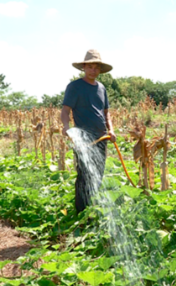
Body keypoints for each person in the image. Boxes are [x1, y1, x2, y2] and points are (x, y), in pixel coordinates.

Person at [61, 49, 116, 213]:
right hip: (84, 140)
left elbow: (106, 113)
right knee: (84, 176)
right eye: (90, 67)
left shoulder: (101, 88)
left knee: (98, 174)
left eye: (96, 68)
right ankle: (81, 212)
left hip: (101, 138)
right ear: (84, 67)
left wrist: (111, 130)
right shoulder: (75, 87)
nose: (93, 70)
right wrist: (66, 128)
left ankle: (92, 208)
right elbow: (65, 111)